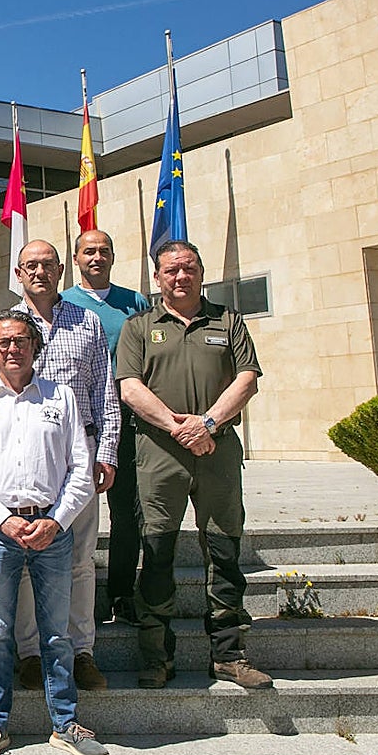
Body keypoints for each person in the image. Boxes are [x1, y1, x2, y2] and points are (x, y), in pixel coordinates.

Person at [0, 310, 107, 755]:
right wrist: (3, 520)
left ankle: (65, 724)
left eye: (21, 340)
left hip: (53, 531)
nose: (13, 348)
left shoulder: (60, 397)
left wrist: (56, 520)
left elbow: (81, 467)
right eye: (3, 342)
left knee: (57, 634)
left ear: (36, 347)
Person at [116, 240, 269, 690]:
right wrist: (178, 427)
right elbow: (129, 386)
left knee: (224, 551)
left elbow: (247, 379)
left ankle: (228, 654)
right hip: (160, 455)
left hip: (217, 451)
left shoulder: (228, 321)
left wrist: (207, 424)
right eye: (171, 270)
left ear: (200, 273)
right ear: (157, 278)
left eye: (188, 268)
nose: (180, 277)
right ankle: (157, 656)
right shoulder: (139, 326)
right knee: (158, 552)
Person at [0, 240, 119, 692]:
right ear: (18, 273)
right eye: (30, 265)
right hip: (19, 460)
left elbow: (104, 391)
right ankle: (32, 654)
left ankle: (81, 651)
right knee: (22, 556)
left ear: (61, 270)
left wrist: (107, 451)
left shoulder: (87, 321)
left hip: (77, 456)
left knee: (79, 559)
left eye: (47, 264)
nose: (39, 272)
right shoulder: (4, 327)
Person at [61, 230, 150, 626]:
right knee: (75, 512)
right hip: (81, 422)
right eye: (89, 251)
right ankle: (75, 594)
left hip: (129, 420)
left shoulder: (135, 302)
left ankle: (121, 592)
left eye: (104, 251)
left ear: (113, 257)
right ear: (76, 258)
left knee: (127, 512)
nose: (97, 257)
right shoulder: (64, 303)